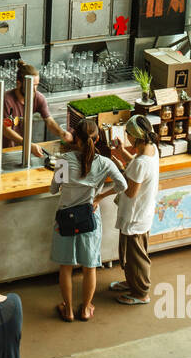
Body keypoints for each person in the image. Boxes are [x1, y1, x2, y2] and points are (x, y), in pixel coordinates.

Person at [50, 118, 126, 322]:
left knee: (66, 267)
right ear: (98, 138)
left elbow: (53, 189)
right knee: (89, 266)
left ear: (76, 138)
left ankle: (68, 310)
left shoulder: (65, 160)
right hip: (90, 218)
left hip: (65, 218)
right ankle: (85, 308)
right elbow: (122, 185)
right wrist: (99, 197)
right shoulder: (104, 163)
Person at [106, 115, 160, 307]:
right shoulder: (151, 150)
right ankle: (131, 283)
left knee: (137, 257)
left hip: (135, 216)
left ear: (136, 137)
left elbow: (130, 191)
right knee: (131, 254)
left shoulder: (140, 163)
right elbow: (137, 167)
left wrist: (120, 170)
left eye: (128, 134)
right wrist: (122, 152)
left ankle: (141, 292)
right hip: (143, 212)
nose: (126, 137)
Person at [1, 62, 73, 158]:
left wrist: (61, 133)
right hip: (6, 149)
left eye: (36, 85)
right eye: (31, 85)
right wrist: (28, 144)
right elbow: (6, 130)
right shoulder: (7, 100)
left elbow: (49, 121)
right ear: (19, 84)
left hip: (26, 147)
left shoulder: (38, 97)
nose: (35, 89)